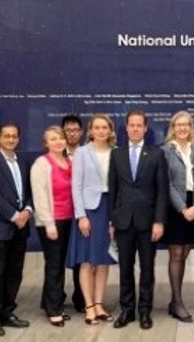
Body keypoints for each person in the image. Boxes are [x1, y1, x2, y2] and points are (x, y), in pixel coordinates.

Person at [109, 110, 169, 330]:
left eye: (139, 125)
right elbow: (113, 190)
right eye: (131, 125)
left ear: (145, 128)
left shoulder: (156, 155)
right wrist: (112, 221)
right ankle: (127, 310)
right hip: (123, 221)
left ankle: (144, 311)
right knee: (125, 268)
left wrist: (159, 221)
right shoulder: (117, 155)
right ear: (126, 128)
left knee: (147, 269)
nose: (135, 129)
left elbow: (162, 191)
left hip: (147, 222)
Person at [0, 123, 33, 336]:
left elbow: (29, 190)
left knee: (14, 273)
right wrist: (14, 216)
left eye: (14, 136)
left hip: (21, 227)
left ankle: (7, 312)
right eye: (7, 136)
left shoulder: (23, 162)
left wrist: (27, 211)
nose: (11, 139)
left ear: (18, 139)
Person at [67, 114, 117, 325]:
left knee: (104, 260)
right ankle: (88, 306)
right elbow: (76, 186)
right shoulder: (81, 152)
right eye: (97, 127)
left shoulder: (116, 152)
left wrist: (115, 219)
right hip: (89, 211)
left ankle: (99, 304)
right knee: (87, 261)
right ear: (91, 130)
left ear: (110, 130)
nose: (101, 131)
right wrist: (81, 216)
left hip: (109, 209)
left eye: (104, 127)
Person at [161, 111, 194, 323]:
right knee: (176, 253)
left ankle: (173, 300)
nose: (182, 128)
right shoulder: (166, 151)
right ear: (173, 127)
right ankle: (177, 303)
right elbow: (166, 184)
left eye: (186, 125)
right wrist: (182, 208)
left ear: (191, 127)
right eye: (178, 125)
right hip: (174, 206)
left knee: (185, 251)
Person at [31, 126, 74, 326]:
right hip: (51, 222)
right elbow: (39, 197)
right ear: (46, 143)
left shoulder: (69, 161)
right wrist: (49, 223)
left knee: (59, 264)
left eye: (60, 138)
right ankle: (53, 309)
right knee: (55, 265)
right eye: (53, 139)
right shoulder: (41, 164)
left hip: (69, 219)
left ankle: (50, 301)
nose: (58, 142)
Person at [61, 114, 86, 313]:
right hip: (60, 214)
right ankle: (55, 297)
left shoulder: (87, 153)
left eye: (75, 130)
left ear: (81, 132)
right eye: (68, 130)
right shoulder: (55, 154)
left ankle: (80, 296)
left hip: (81, 213)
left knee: (80, 257)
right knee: (57, 258)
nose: (72, 133)